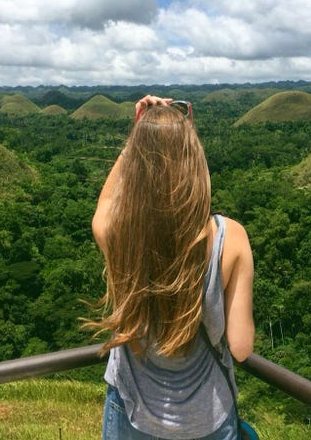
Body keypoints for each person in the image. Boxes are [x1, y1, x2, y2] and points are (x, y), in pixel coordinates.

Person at [87, 95, 255, 439]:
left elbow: (103, 208)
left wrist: (138, 139)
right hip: (206, 420)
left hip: (131, 415)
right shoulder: (231, 238)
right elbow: (241, 346)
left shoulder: (122, 236)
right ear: (194, 161)